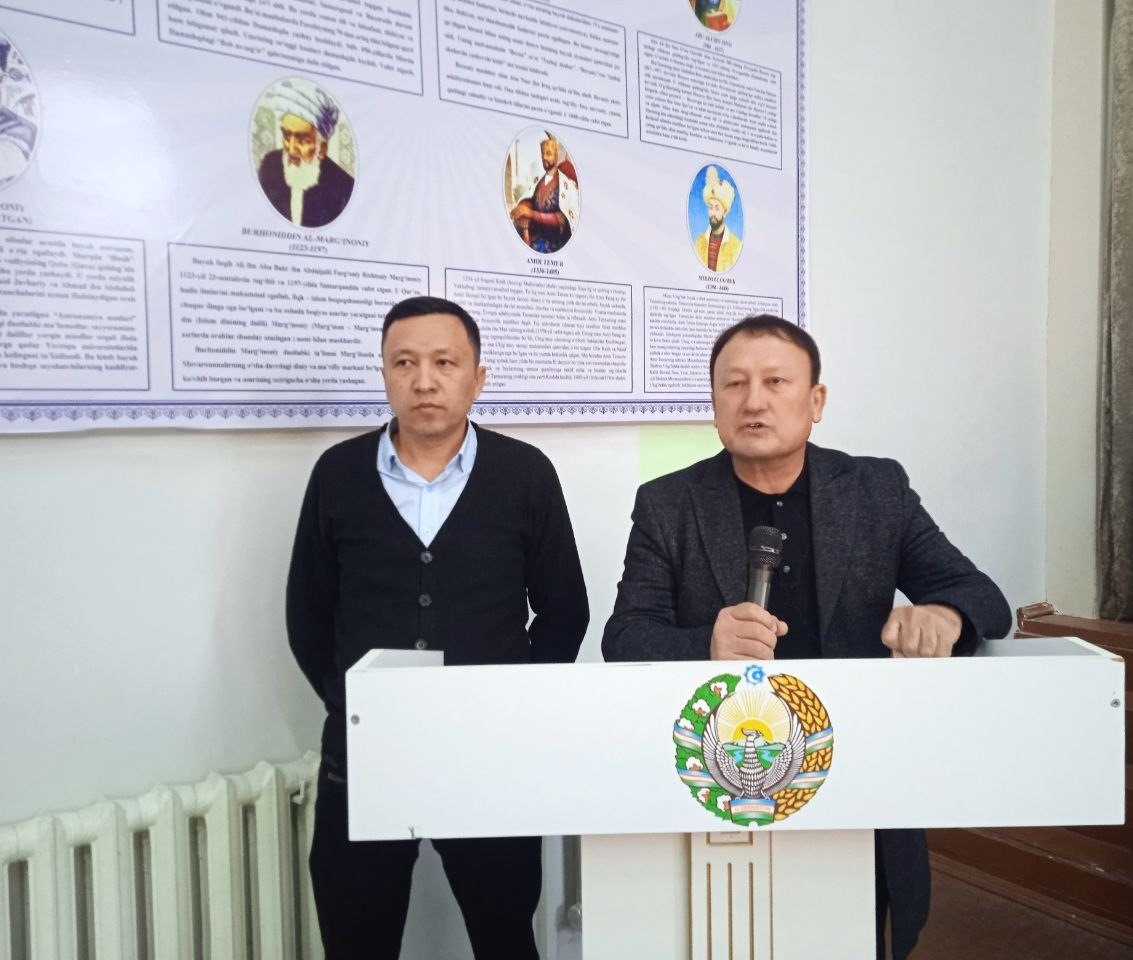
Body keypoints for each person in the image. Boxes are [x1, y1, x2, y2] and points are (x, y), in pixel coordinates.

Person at [601, 314, 1011, 960]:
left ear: (815, 400)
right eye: (734, 384)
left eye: (775, 382)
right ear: (713, 404)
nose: (753, 401)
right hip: (720, 776)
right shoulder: (668, 504)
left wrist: (944, 616)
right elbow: (624, 638)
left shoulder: (877, 491)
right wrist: (706, 643)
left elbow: (983, 596)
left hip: (854, 769)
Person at [286, 295, 589, 958]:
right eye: (404, 363)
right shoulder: (338, 473)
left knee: (504, 935)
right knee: (355, 938)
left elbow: (565, 609)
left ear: (477, 378)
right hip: (364, 754)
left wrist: (511, 702)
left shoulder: (525, 474)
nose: (424, 380)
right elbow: (306, 614)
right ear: (384, 373)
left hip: (488, 753)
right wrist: (353, 704)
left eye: (444, 363)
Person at [257, 79, 355, 228]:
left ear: (322, 148)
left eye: (302, 140)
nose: (291, 150)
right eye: (286, 136)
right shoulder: (269, 166)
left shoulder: (344, 187)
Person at [510, 132, 579, 253]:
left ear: (556, 155)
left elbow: (562, 219)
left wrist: (531, 214)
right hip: (536, 237)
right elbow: (530, 199)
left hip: (556, 245)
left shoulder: (567, 186)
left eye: (548, 153)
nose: (544, 157)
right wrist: (524, 208)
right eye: (542, 154)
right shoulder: (538, 182)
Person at [694, 165, 742, 272]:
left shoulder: (736, 246)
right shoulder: (699, 243)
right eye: (710, 207)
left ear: (724, 212)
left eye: (717, 208)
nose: (713, 213)